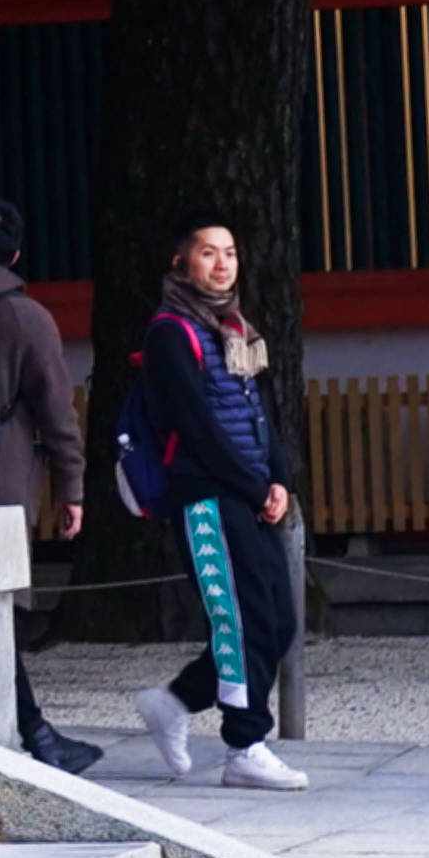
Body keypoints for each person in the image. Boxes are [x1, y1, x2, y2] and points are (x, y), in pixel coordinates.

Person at [118, 217, 307, 792]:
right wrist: (253, 488)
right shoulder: (169, 333)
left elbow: (256, 414)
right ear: (182, 263)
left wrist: (277, 480)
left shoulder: (235, 327)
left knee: (277, 621)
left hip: (246, 489)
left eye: (230, 252)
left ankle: (174, 702)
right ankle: (245, 745)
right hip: (204, 494)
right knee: (240, 617)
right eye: (208, 253)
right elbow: (194, 426)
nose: (222, 263)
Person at [0, 200, 106, 773]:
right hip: (0, 475)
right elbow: (56, 411)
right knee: (0, 613)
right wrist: (72, 488)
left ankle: (28, 727)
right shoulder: (24, 316)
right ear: (16, 254)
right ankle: (33, 733)